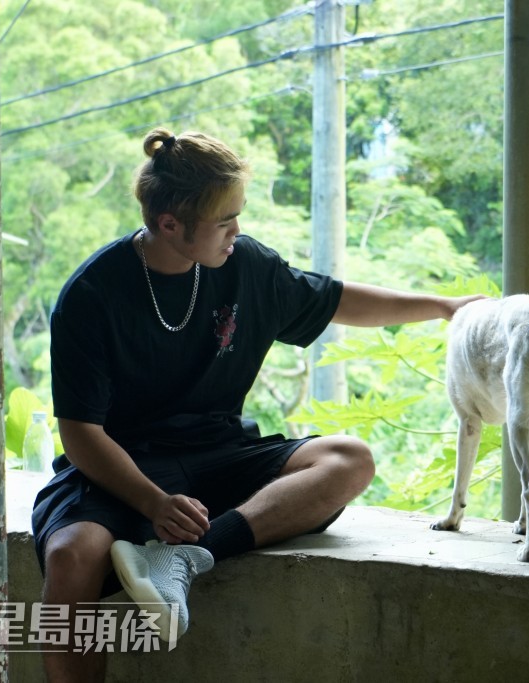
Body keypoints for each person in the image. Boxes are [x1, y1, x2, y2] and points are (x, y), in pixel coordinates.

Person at [31, 128, 483, 682]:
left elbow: (337, 298)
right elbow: (82, 435)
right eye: (225, 221)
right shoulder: (92, 295)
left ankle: (187, 557)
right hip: (123, 467)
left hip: (218, 453)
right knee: (72, 556)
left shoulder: (244, 264)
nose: (236, 232)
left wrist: (443, 307)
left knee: (349, 459)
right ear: (170, 224)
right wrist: (153, 503)